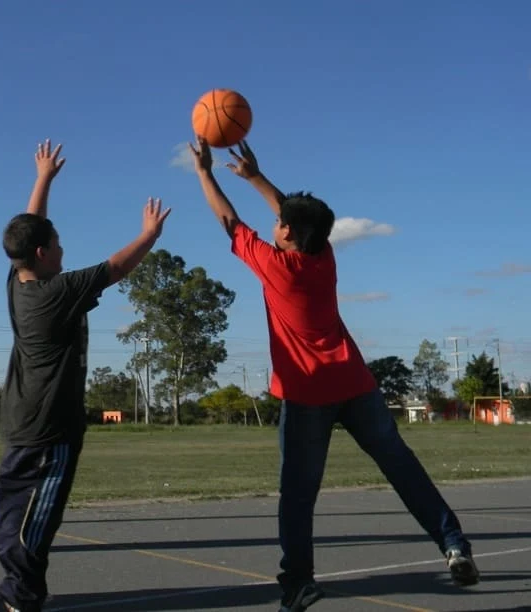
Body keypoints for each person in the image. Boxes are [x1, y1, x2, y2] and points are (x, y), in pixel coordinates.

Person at [187, 138, 480, 612]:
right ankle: (454, 545)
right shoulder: (322, 258)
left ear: (287, 234)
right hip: (356, 385)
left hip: (308, 396)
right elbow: (297, 218)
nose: (274, 222)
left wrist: (204, 172)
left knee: (298, 497)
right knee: (402, 468)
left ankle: (299, 583)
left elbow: (229, 223)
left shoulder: (277, 267)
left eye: (280, 222)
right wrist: (257, 178)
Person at [0, 139, 171, 612]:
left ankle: (22, 591)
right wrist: (150, 235)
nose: (62, 248)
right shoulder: (59, 292)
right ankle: (21, 597)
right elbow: (116, 267)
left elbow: (29, 230)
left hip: (19, 425)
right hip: (51, 431)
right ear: (42, 252)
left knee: (15, 521)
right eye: (57, 244)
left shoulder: (17, 282)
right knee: (34, 530)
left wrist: (43, 180)